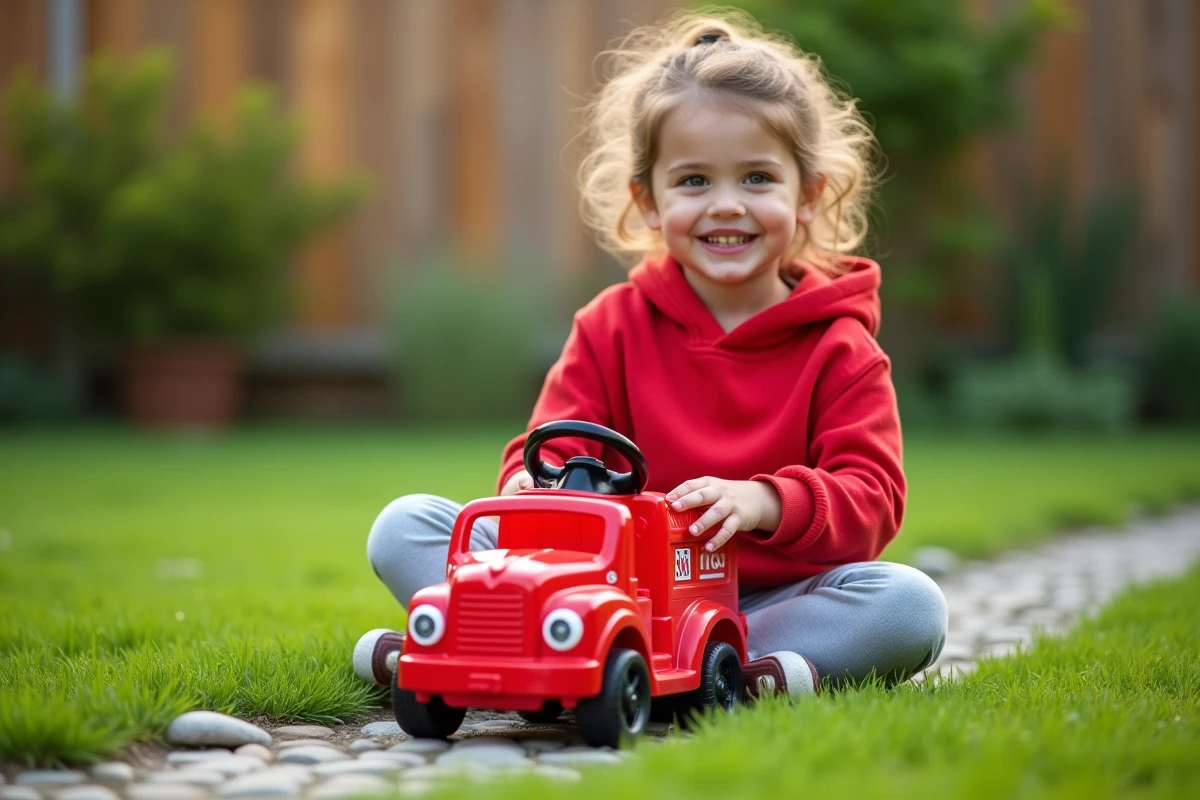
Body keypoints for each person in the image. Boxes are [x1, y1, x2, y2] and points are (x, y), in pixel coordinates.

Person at [356, 9, 946, 700]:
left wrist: (766, 500)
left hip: (761, 604)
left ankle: (727, 666)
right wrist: (526, 482)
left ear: (809, 195)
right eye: (694, 182)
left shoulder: (842, 348)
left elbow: (871, 498)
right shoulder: (610, 326)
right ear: (650, 202)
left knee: (909, 604)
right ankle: (515, 640)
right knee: (404, 526)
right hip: (603, 590)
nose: (726, 205)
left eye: (757, 178)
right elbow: (548, 445)